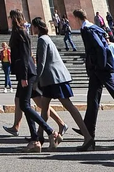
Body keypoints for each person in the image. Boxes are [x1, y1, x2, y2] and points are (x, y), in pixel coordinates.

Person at [73, 8, 114, 148]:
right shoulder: (92, 27)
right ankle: (88, 130)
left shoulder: (88, 30)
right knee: (92, 98)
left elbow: (100, 48)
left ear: (77, 18)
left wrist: (101, 66)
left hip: (100, 69)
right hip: (97, 69)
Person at [5, 10, 58, 153]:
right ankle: (35, 140)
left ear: (14, 18)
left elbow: (23, 56)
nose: (9, 20)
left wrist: (23, 76)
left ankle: (50, 131)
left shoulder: (19, 33)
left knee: (25, 105)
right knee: (25, 104)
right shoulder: (21, 32)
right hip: (27, 72)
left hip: (26, 73)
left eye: (10, 18)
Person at [31, 16, 88, 147]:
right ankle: (39, 137)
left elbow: (42, 63)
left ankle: (87, 136)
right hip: (52, 79)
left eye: (33, 26)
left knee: (69, 106)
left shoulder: (42, 40)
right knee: (44, 110)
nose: (31, 29)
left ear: (36, 27)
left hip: (54, 79)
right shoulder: (47, 39)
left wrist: (35, 80)